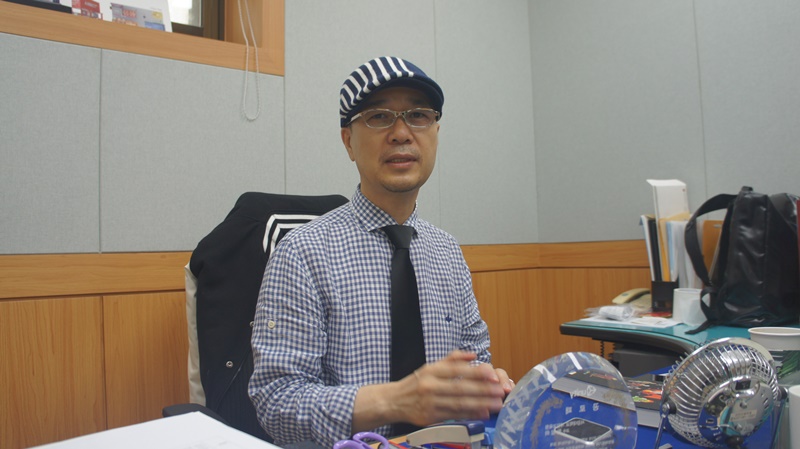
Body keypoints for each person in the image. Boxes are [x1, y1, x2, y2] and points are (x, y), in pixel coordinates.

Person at [249, 56, 513, 448]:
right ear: (348, 141)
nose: (401, 133)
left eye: (418, 116)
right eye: (378, 117)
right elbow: (278, 401)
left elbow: (474, 360)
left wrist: (485, 384)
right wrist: (395, 400)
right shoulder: (302, 254)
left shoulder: (447, 252)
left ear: (436, 132)